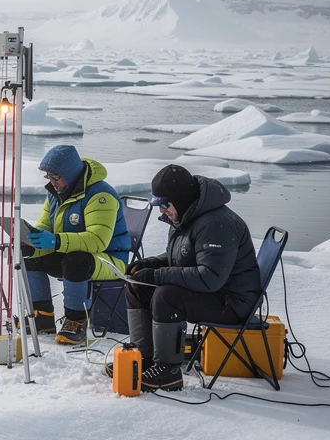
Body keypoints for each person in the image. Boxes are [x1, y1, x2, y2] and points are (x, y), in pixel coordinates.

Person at [124, 163, 261, 392]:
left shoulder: (216, 224)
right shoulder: (187, 215)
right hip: (214, 292)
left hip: (233, 302)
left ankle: (168, 371)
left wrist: (157, 275)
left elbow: (209, 277)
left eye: (164, 204)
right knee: (137, 286)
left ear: (181, 198)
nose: (161, 210)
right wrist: (150, 264)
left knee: (166, 296)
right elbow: (180, 257)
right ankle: (143, 358)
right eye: (157, 204)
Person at [25, 144, 131, 345]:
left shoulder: (101, 195)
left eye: (55, 176)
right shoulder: (56, 193)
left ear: (70, 172)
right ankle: (42, 316)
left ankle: (76, 321)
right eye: (48, 176)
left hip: (109, 259)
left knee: (76, 261)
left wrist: (56, 241)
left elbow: (97, 240)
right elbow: (44, 225)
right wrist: (31, 239)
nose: (52, 182)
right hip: (70, 252)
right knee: (31, 256)